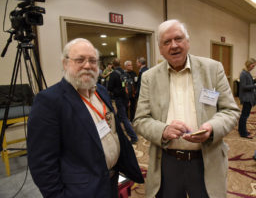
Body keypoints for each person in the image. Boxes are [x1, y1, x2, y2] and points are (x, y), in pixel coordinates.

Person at [133, 19, 240, 198]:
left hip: (206, 160)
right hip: (167, 162)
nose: (174, 45)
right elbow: (140, 119)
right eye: (167, 42)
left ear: (188, 42)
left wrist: (212, 128)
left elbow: (231, 111)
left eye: (178, 39)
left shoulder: (212, 69)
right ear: (160, 49)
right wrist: (164, 130)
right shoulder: (149, 78)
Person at [27, 38, 144, 198]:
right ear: (65, 63)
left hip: (111, 181)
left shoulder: (101, 91)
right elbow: (42, 163)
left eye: (92, 61)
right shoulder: (49, 101)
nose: (87, 65)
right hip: (81, 191)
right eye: (80, 60)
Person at [108, 58, 138, 144]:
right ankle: (117, 131)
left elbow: (109, 87)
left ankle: (133, 137)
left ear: (113, 65)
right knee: (118, 117)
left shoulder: (113, 74)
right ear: (120, 64)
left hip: (119, 98)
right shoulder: (125, 73)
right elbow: (127, 87)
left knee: (124, 118)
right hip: (126, 97)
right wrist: (128, 99)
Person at [238, 58, 256, 139]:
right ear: (248, 64)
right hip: (246, 98)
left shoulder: (247, 73)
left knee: (245, 115)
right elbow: (244, 86)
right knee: (244, 116)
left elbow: (248, 83)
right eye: (253, 65)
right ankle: (243, 133)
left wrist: (254, 81)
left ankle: (241, 130)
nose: (253, 67)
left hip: (248, 97)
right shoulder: (243, 73)